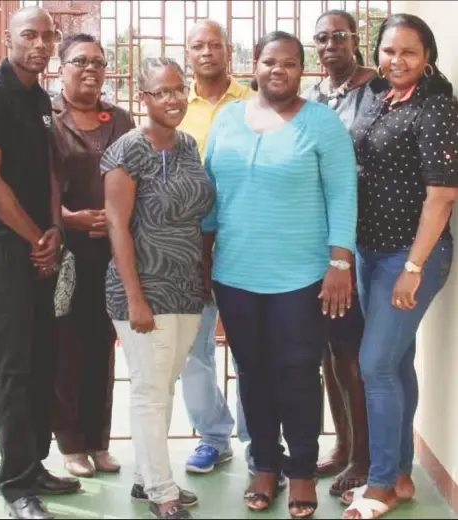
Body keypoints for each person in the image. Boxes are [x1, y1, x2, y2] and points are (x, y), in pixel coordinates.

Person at [202, 31, 358, 518]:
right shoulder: (228, 118)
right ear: (256, 65)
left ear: (301, 70)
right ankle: (265, 465)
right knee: (252, 373)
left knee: (296, 374)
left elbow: (342, 196)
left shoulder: (321, 124)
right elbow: (210, 194)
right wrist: (203, 259)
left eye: (289, 63)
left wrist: (339, 263)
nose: (278, 70)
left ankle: (303, 471)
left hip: (302, 276)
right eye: (270, 61)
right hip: (235, 273)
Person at [0, 6, 81, 519]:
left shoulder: (38, 98)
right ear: (9, 39)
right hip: (1, 249)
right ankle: (16, 487)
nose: (39, 43)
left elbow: (48, 173)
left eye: (46, 35)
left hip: (38, 245)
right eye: (28, 35)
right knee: (10, 366)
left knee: (39, 359)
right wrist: (38, 237)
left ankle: (32, 465)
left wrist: (53, 229)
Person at [341, 14, 458, 520]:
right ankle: (403, 476)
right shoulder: (374, 97)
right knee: (396, 362)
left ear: (427, 56)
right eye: (389, 51)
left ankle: (383, 483)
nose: (397, 61)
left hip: (410, 258)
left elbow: (442, 196)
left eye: (408, 52)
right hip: (369, 252)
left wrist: (414, 265)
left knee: (374, 366)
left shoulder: (436, 108)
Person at [101, 57, 216, 520]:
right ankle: (162, 492)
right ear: (143, 97)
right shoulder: (127, 150)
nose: (172, 99)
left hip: (187, 287)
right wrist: (134, 297)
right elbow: (116, 224)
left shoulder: (188, 146)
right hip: (143, 288)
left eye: (178, 89)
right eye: (161, 92)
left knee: (163, 385)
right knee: (150, 388)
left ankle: (144, 477)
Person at [51, 33, 135, 477]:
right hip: (61, 252)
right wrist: (70, 218)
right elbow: (31, 181)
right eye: (80, 61)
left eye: (99, 62)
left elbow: (137, 175)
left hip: (110, 251)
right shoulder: (45, 118)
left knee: (103, 344)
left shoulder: (118, 119)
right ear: (60, 67)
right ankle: (70, 445)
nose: (91, 69)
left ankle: (99, 442)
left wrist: (115, 218)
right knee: (65, 346)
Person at [302, 9, 377, 496]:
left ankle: (367, 457)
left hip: (365, 241)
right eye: (322, 38)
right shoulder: (314, 97)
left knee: (354, 352)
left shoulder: (375, 90)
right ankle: (344, 444)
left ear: (356, 40)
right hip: (320, 239)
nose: (330, 45)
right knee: (331, 349)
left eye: (339, 37)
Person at [178, 19, 255, 475]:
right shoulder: (174, 105)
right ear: (188, 53)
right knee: (193, 346)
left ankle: (259, 440)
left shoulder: (254, 102)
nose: (207, 52)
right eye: (197, 45)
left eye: (215, 44)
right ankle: (212, 435)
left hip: (245, 241)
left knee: (252, 347)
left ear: (230, 51)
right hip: (188, 247)